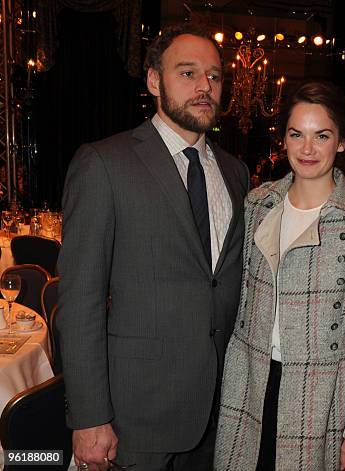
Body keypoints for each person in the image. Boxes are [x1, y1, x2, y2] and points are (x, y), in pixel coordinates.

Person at [57, 23, 249, 471]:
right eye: (188, 73)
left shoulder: (235, 173)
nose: (205, 86)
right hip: (133, 419)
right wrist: (89, 416)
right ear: (153, 81)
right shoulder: (105, 163)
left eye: (215, 76)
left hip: (217, 415)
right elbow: (80, 299)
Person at [214, 82, 345, 471]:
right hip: (249, 381)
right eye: (297, 134)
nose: (307, 149)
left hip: (320, 395)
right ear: (284, 139)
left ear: (341, 142)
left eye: (321, 136)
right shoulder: (258, 203)